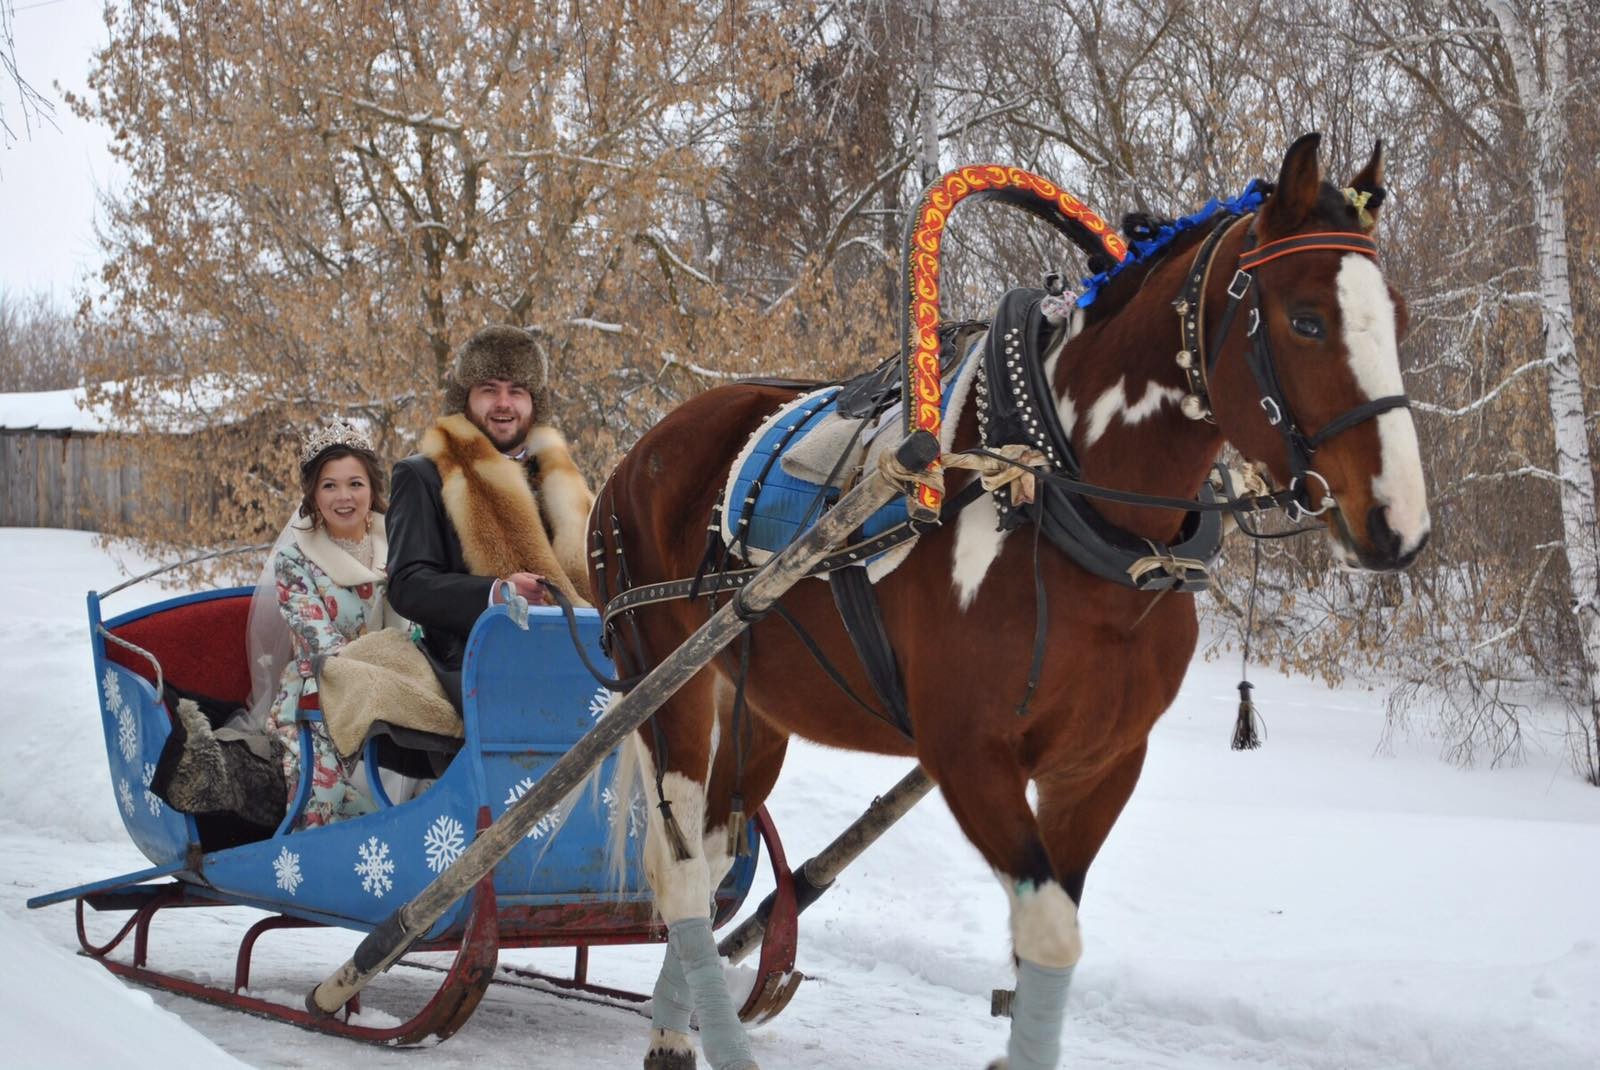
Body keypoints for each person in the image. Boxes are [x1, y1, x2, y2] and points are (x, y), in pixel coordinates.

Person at [156, 420, 402, 832]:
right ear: (313, 494)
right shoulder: (295, 562)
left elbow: (413, 623)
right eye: (329, 485)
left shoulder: (398, 546)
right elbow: (322, 642)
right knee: (329, 791)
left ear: (372, 488)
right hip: (323, 692)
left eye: (355, 483)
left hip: (397, 686)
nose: (344, 497)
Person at [387, 325, 595, 711]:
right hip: (478, 669)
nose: (503, 403)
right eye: (489, 389)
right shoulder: (423, 475)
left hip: (583, 660)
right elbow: (407, 585)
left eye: (517, 390)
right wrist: (496, 593)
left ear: (535, 403)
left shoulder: (563, 483)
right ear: (464, 398)